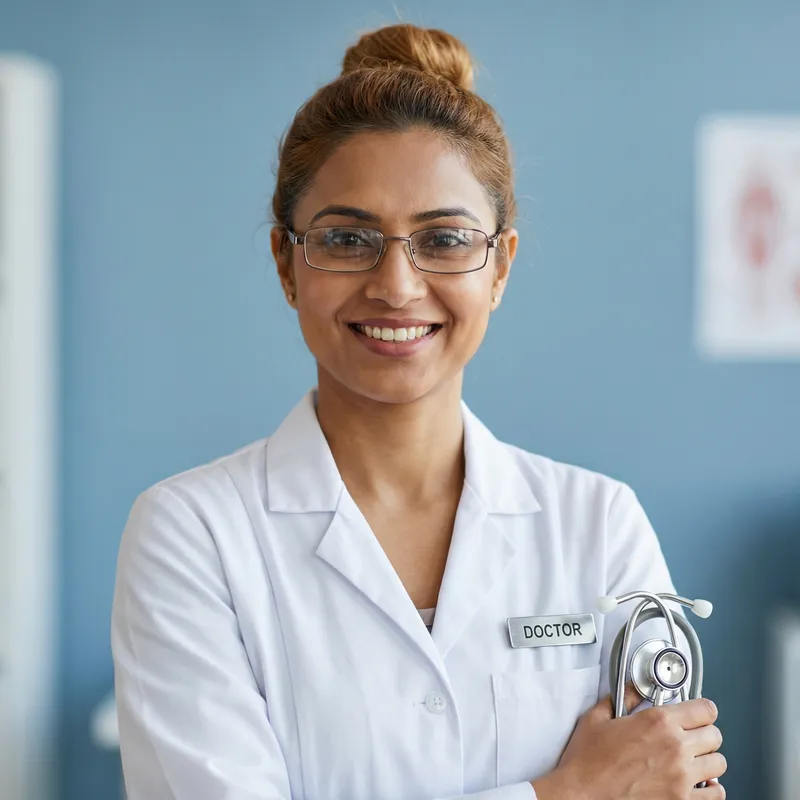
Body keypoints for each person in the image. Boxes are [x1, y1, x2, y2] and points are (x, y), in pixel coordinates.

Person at [111, 22, 726, 800]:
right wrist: (568, 792)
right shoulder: (191, 536)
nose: (397, 286)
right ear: (286, 265)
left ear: (499, 267)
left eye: (444, 240)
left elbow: (668, 783)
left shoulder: (599, 527)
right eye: (346, 238)